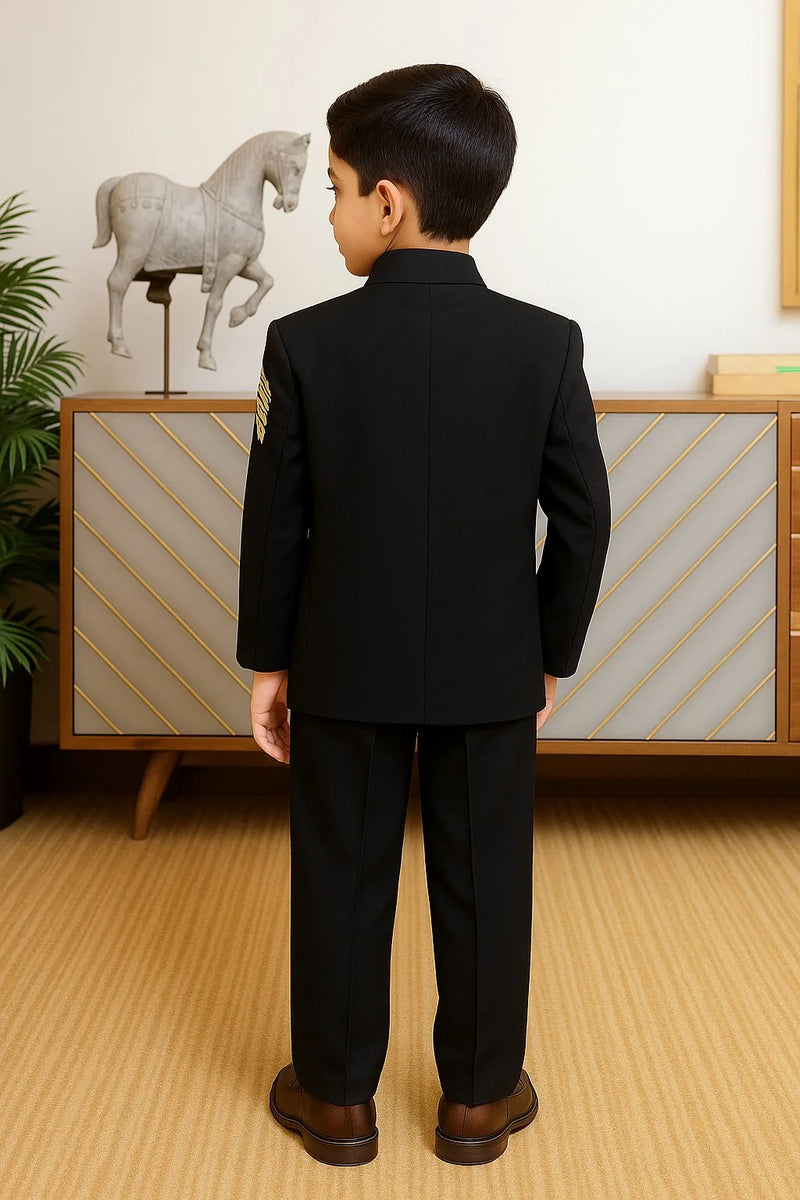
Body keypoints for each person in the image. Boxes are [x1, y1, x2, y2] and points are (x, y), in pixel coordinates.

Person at [236, 62, 612, 1167]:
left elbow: (276, 521)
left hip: (341, 666)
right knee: (486, 875)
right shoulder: (545, 343)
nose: (331, 214)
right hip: (492, 667)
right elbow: (582, 521)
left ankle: (337, 1100)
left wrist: (270, 661)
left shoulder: (305, 344)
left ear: (388, 201)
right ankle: (479, 1102)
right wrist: (547, 655)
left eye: (337, 189)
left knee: (340, 874)